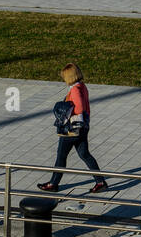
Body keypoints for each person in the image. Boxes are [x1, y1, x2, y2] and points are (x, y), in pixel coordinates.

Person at [38, 63, 108, 194]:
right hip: (82, 127)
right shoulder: (82, 86)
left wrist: (66, 109)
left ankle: (53, 184)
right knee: (84, 154)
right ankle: (100, 182)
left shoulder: (75, 89)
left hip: (72, 129)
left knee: (61, 156)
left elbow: (80, 108)